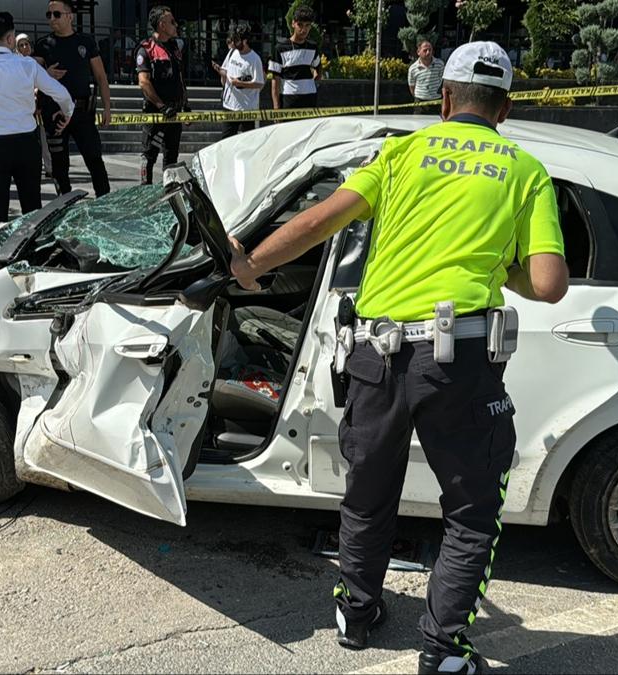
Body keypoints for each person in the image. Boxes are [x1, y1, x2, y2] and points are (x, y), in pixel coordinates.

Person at [229, 41, 568, 674]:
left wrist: (250, 264)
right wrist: (500, 264)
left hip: (377, 358)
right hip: (459, 366)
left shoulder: (402, 151)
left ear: (444, 98)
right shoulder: (524, 171)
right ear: (506, 108)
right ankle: (441, 654)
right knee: (471, 514)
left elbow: (318, 220)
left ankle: (356, 616)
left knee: (367, 493)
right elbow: (549, 284)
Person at [0, 12, 73, 224]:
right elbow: (61, 94)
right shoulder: (27, 65)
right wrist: (68, 112)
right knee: (32, 209)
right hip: (26, 143)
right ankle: (32, 253)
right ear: (11, 38)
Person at [33, 0, 112, 196]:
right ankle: (64, 205)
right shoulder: (43, 44)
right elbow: (30, 75)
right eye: (49, 15)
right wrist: (45, 73)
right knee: (59, 165)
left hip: (82, 111)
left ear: (69, 16)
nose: (52, 19)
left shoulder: (86, 42)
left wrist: (107, 107)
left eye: (57, 14)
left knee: (94, 159)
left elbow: (101, 76)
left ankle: (105, 202)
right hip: (55, 114)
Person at [136, 5, 187, 185]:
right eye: (172, 22)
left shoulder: (175, 47)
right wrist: (161, 106)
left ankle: (169, 194)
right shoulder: (146, 49)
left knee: (171, 158)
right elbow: (144, 82)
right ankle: (145, 193)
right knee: (149, 157)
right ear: (161, 25)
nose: (176, 25)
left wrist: (185, 106)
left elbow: (180, 78)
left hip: (174, 111)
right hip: (156, 112)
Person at [211, 21, 263, 139]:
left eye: (237, 40)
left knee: (247, 141)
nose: (233, 43)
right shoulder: (233, 52)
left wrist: (240, 83)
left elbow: (259, 83)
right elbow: (227, 72)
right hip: (230, 105)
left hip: (247, 108)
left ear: (245, 41)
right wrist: (220, 71)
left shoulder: (254, 59)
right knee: (226, 139)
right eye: (233, 40)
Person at [269, 5, 321, 110]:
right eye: (300, 25)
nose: (304, 29)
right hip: (288, 101)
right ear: (293, 24)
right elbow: (275, 80)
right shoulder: (280, 48)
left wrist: (312, 84)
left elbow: (318, 68)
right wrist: (276, 107)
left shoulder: (313, 47)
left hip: (310, 100)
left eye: (307, 25)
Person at [407, 40, 444, 114]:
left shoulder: (440, 64)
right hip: (420, 103)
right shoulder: (413, 68)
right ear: (418, 52)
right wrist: (419, 95)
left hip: (436, 101)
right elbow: (412, 86)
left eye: (430, 50)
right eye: (425, 50)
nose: (428, 52)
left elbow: (443, 81)